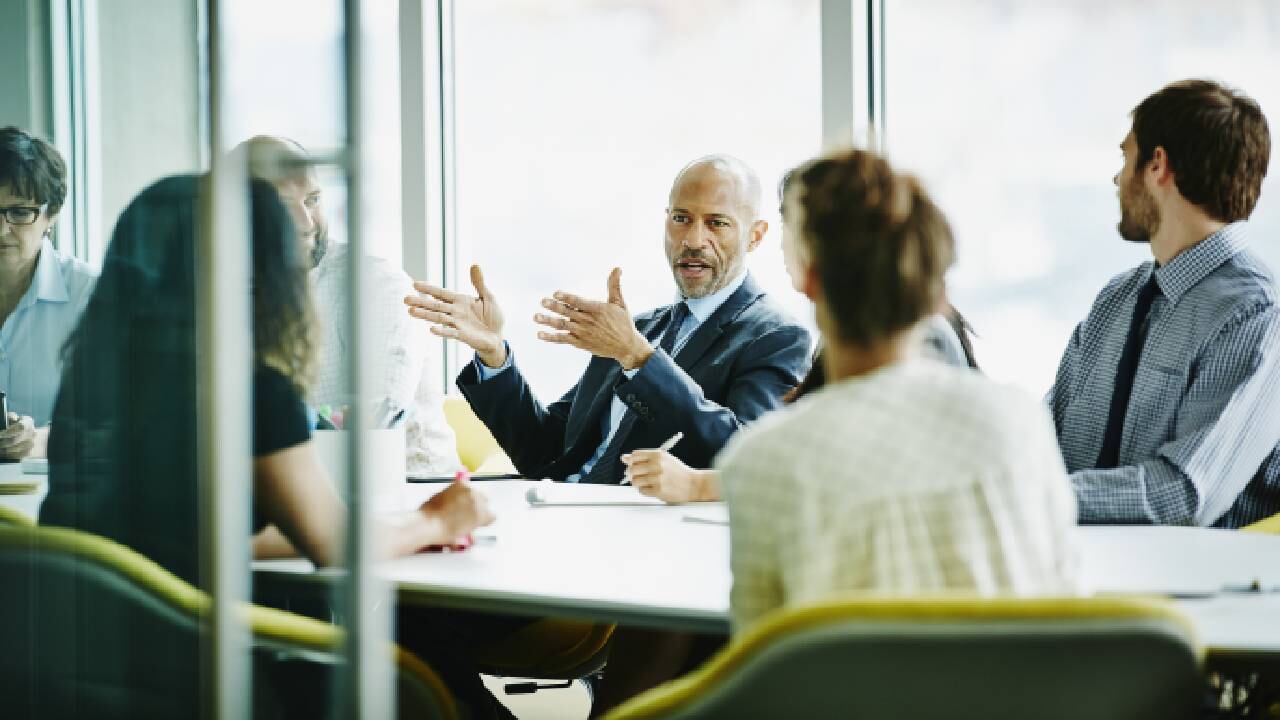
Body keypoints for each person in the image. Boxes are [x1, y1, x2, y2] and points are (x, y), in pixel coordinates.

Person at [720, 148, 1079, 632]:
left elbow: (761, 668)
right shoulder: (1020, 420)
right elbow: (1069, 608)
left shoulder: (763, 462)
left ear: (810, 279)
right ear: (935, 287)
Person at [405, 155, 811, 483]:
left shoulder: (776, 336)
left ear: (755, 236)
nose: (692, 240)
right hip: (563, 514)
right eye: (681, 218)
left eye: (717, 224)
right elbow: (544, 451)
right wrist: (495, 355)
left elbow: (744, 457)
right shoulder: (641, 328)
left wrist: (638, 358)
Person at [623, 168, 981, 504]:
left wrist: (696, 484)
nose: (781, 244)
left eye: (789, 225)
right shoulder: (855, 334)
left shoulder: (919, 338)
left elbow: (845, 468)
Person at [1048, 79, 1280, 528]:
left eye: (1125, 156)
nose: (1117, 178)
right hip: (1086, 574)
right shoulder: (1116, 301)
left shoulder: (1256, 315)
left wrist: (1036, 499)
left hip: (1198, 589)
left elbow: (1184, 493)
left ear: (1158, 166)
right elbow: (1047, 435)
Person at [240, 136, 463, 476]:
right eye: (283, 205)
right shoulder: (223, 291)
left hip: (413, 492)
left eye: (312, 200)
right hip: (285, 497)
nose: (307, 222)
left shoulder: (373, 284)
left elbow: (371, 424)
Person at [0, 126, 94, 459]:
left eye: (20, 212)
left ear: (50, 215)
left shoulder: (89, 295)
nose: (1, 230)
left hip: (53, 502)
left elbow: (119, 421)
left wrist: (41, 440)